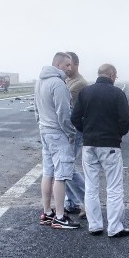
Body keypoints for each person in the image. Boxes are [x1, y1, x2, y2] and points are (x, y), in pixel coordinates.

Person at [71, 63, 129, 238]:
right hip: (111, 145)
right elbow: (125, 120)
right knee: (114, 188)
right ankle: (114, 227)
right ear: (112, 75)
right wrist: (117, 133)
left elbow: (74, 117)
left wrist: (87, 131)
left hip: (89, 145)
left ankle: (95, 226)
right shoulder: (118, 94)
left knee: (91, 187)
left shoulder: (85, 92)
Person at [35, 52, 81, 230]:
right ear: (58, 64)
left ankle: (47, 212)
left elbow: (37, 109)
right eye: (68, 65)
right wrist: (71, 133)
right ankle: (60, 217)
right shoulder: (58, 84)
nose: (71, 68)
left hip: (45, 131)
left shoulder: (39, 81)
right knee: (61, 175)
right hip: (58, 133)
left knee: (48, 172)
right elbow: (64, 113)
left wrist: (41, 126)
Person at [63, 52, 88, 217]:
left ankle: (88, 200)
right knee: (64, 167)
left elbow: (66, 105)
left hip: (74, 130)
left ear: (76, 64)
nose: (66, 67)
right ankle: (71, 202)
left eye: (69, 64)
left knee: (66, 167)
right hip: (68, 129)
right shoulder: (66, 81)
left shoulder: (79, 84)